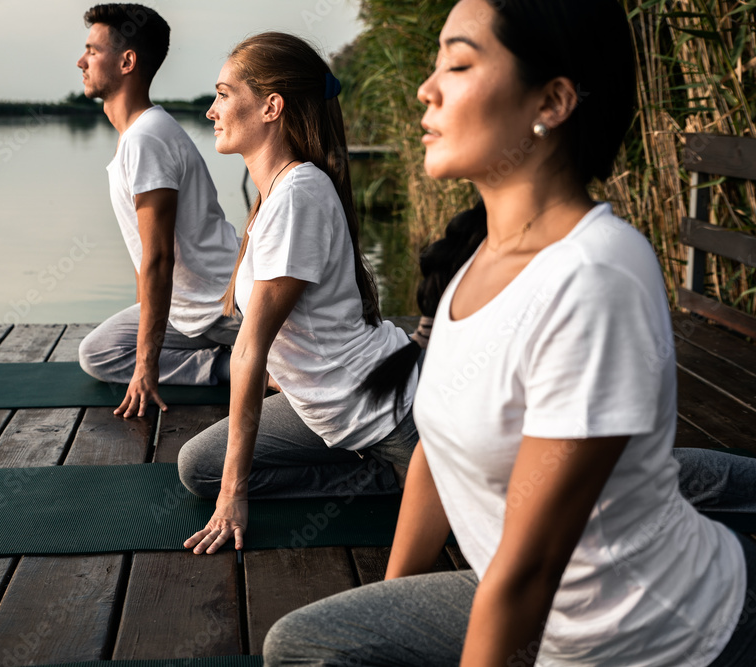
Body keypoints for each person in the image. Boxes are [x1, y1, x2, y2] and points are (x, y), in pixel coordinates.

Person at [263, 1, 755, 665]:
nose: (425, 87)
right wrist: (390, 605)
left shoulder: (596, 273)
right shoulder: (473, 262)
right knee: (305, 643)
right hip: (532, 598)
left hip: (656, 637)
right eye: (434, 61)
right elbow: (434, 457)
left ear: (551, 101)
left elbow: (529, 574)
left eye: (459, 63)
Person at [177, 32, 420, 556]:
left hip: (394, 414)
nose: (211, 110)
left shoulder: (299, 194)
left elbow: (249, 348)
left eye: (222, 93)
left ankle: (400, 477)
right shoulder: (277, 193)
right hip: (324, 411)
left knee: (484, 521)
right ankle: (374, 474)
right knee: (198, 466)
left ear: (271, 106)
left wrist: (233, 494)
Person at [76, 4, 242, 418]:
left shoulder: (147, 138)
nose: (81, 61)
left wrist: (147, 366)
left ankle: (255, 362)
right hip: (187, 311)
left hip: (224, 303)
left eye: (92, 51)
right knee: (98, 352)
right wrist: (144, 345)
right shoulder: (138, 134)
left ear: (127, 61)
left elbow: (159, 256)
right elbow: (143, 256)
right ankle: (228, 365)